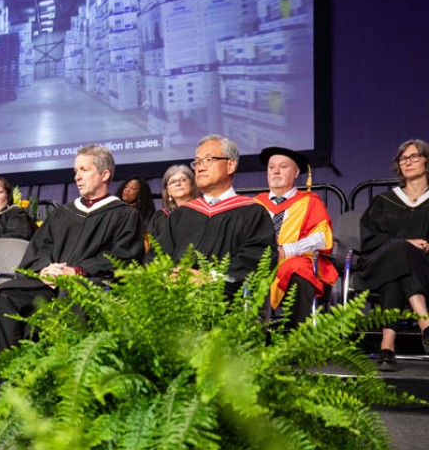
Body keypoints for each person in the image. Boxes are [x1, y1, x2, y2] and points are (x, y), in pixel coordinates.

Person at [0, 144, 145, 358]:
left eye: (84, 170)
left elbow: (124, 259)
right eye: (75, 171)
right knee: (4, 293)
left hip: (89, 284)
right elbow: (40, 248)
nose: (77, 177)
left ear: (105, 174)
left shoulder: (124, 215)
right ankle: (10, 381)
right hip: (49, 285)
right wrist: (44, 269)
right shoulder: (63, 213)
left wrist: (77, 271)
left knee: (74, 292)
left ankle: (62, 381)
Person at [153, 134, 277, 297]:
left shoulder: (252, 212)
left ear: (230, 165)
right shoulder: (180, 216)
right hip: (175, 299)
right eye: (197, 162)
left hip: (226, 299)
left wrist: (208, 277)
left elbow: (258, 259)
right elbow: (157, 258)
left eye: (208, 160)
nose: (200, 167)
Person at [358, 138, 429, 372]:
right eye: (403, 159)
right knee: (399, 251)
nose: (407, 162)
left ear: (427, 162)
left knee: (397, 272)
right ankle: (425, 323)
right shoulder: (383, 201)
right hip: (379, 264)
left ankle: (387, 347)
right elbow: (369, 240)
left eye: (414, 157)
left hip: (424, 268)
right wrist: (405, 243)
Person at [254, 147, 338, 328]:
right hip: (259, 264)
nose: (275, 171)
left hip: (297, 264)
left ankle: (295, 340)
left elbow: (322, 238)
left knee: (298, 271)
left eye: (283, 166)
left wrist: (286, 250)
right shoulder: (255, 204)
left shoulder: (310, 202)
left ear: (296, 172)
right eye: (271, 167)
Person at [149, 165, 200, 244]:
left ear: (192, 185)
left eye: (183, 180)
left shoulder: (203, 212)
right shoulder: (161, 217)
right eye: (172, 182)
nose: (178, 184)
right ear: (168, 191)